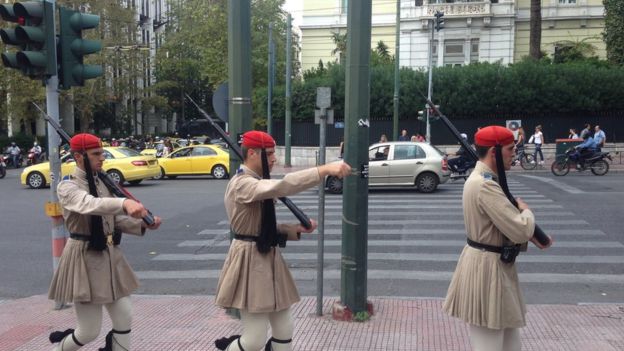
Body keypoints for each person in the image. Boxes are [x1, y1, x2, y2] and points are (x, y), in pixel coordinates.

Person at [214, 131, 351, 351]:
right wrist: (323, 170)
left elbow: (262, 227)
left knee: (284, 329)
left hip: (269, 256)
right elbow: (283, 186)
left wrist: (293, 230)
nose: (274, 159)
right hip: (250, 260)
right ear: (252, 153)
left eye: (273, 153)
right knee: (255, 340)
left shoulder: (259, 182)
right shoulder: (242, 183)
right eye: (268, 154)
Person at [47, 133, 162, 351]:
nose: (102, 158)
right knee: (89, 330)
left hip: (109, 255)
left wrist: (142, 225)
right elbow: (89, 204)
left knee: (124, 316)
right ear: (79, 157)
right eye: (96, 154)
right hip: (84, 257)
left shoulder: (102, 181)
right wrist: (124, 202)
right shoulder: (68, 186)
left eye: (102, 153)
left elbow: (113, 220)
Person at [443, 126, 552, 351]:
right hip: (488, 270)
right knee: (489, 344)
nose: (514, 153)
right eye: (511, 149)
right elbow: (521, 230)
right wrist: (526, 211)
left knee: (509, 344)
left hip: (491, 266)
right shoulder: (485, 185)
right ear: (495, 152)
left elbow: (505, 229)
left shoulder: (485, 180)